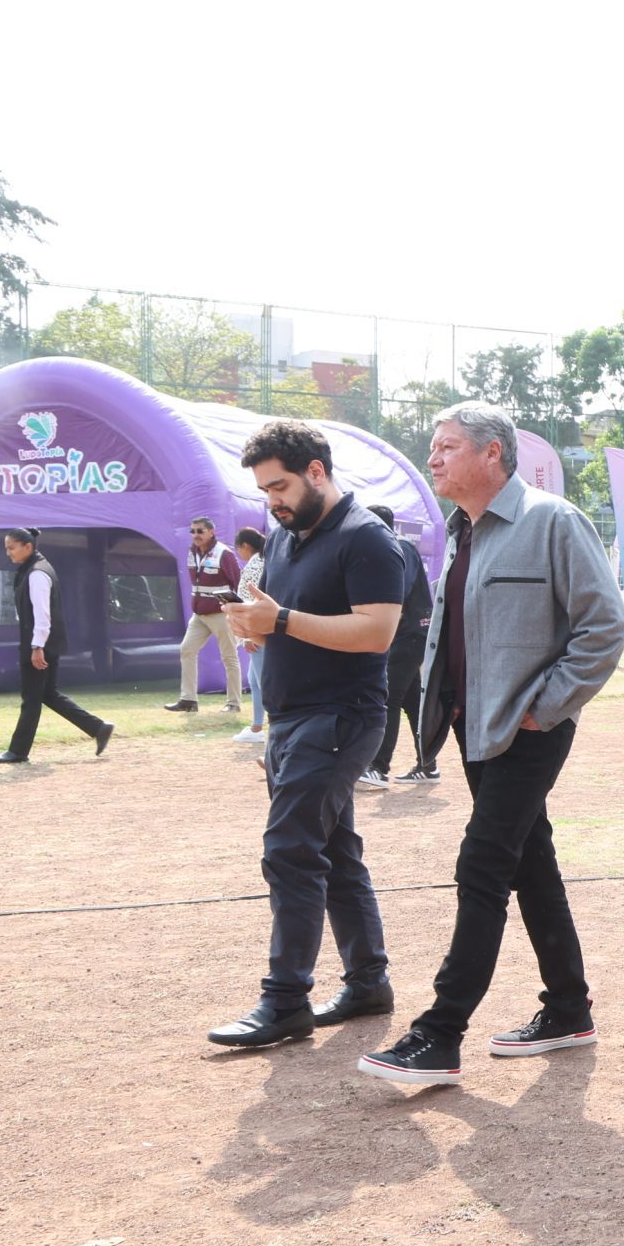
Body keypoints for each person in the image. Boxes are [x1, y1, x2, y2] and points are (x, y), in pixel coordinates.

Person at [359, 402, 624, 1085]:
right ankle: (568, 1007)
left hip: (528, 729)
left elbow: (604, 627)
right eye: (433, 447)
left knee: (482, 864)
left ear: (492, 454)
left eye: (447, 446)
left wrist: (545, 707)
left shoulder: (553, 521)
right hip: (472, 727)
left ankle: (439, 1033)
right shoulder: (461, 531)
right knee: (530, 862)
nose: (433, 458)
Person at [205, 422, 407, 1050]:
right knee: (335, 853)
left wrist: (283, 620)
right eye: (264, 490)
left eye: (280, 486)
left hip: (341, 718)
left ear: (317, 471)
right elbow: (287, 621)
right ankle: (368, 984)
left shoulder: (366, 538)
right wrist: (257, 626)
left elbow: (377, 632)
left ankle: (285, 1001)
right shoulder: (283, 538)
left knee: (290, 850)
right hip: (293, 719)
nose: (272, 501)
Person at [0, 528, 112, 764]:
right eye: (6, 548)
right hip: (43, 643)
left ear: (27, 547)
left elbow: (43, 615)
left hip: (40, 645)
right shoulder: (34, 569)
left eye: (11, 548)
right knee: (47, 694)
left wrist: (37, 647)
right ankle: (98, 728)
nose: (8, 553)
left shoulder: (37, 573)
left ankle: (18, 751)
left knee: (31, 699)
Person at [363, 505, 435, 790]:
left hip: (411, 633)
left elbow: (397, 591)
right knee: (410, 702)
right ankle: (428, 765)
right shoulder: (396, 547)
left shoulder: (399, 548)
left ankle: (378, 768)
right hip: (407, 633)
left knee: (388, 699)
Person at [167, 516, 245, 714]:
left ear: (211, 532)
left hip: (220, 613)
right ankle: (188, 700)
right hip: (200, 614)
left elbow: (238, 582)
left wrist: (236, 611)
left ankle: (233, 703)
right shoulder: (192, 552)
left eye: (200, 531)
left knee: (229, 657)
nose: (195, 535)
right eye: (192, 531)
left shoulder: (224, 553)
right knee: (187, 650)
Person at [232, 528, 269, 744]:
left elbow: (250, 602)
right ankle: (256, 726)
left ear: (245, 546)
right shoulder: (263, 561)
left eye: (238, 549)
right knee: (255, 680)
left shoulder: (255, 565)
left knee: (263, 682)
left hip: (257, 630)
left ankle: (276, 725)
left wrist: (248, 636)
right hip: (261, 628)